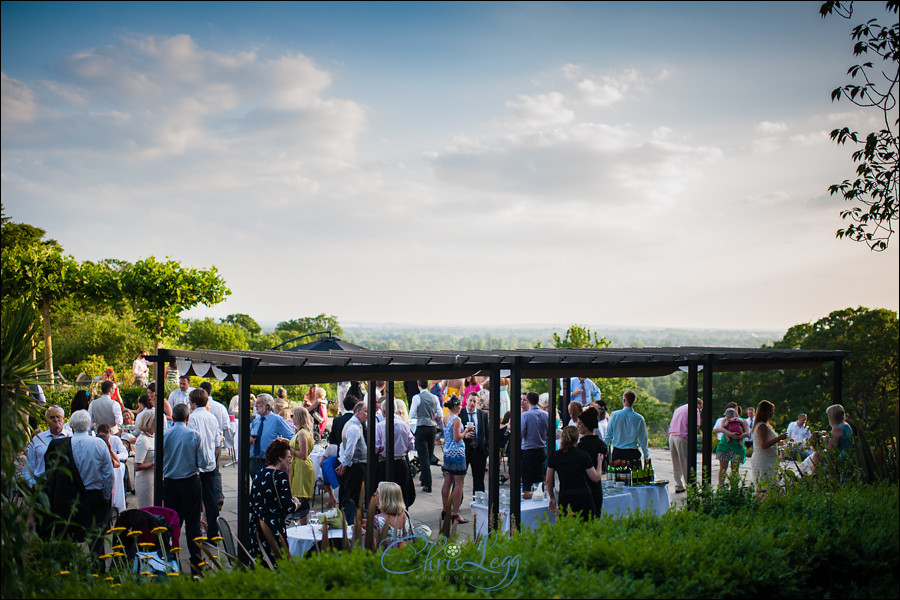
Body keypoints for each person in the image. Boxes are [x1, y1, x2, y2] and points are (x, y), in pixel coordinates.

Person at [43, 409, 113, 555]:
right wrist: (106, 496)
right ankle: (98, 572)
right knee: (96, 541)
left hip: (69, 499)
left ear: (72, 426)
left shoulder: (59, 446)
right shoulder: (100, 444)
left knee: (68, 538)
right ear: (89, 425)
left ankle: (69, 571)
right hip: (95, 496)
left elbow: (51, 476)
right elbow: (108, 475)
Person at [163, 403, 211, 570]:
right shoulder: (194, 435)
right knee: (193, 525)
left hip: (170, 482)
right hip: (190, 482)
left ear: (173, 418)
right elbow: (204, 462)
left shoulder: (164, 434)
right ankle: (196, 562)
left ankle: (170, 561)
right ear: (188, 418)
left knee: (171, 523)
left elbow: (157, 461)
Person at [248, 438, 302, 559]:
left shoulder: (259, 473)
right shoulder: (280, 476)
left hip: (256, 527)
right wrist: (296, 503)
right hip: (272, 529)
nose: (291, 461)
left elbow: (252, 504)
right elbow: (287, 507)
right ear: (280, 458)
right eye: (289, 457)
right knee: (277, 563)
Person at [188, 388, 223, 539]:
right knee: (211, 501)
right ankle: (213, 533)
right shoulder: (212, 418)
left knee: (195, 501)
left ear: (193, 403)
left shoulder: (192, 418)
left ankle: (197, 532)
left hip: (196, 466)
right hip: (210, 463)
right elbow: (217, 443)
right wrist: (212, 458)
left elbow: (191, 442)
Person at [546, 426, 601, 519]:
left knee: (566, 529)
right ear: (577, 438)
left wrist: (552, 497)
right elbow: (595, 478)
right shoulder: (583, 455)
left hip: (565, 496)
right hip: (583, 496)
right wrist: (600, 462)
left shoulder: (555, 456)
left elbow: (548, 480)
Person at [375, 398, 416, 508]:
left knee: (385, 497)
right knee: (402, 495)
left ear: (383, 412)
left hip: (384, 463)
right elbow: (411, 444)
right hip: (401, 463)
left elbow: (376, 447)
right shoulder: (404, 425)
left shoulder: (379, 426)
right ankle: (403, 520)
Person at [24, 405, 70, 488]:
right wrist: (33, 486)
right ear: (46, 420)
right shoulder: (37, 439)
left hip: (64, 486)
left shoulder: (71, 438)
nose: (56, 420)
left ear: (63, 418)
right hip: (41, 485)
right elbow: (28, 466)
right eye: (52, 417)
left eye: (58, 417)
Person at [249, 393, 295, 474]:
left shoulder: (277, 420)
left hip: (268, 462)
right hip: (254, 461)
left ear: (267, 406)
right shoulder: (256, 421)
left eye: (259, 403)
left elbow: (291, 437)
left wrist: (281, 445)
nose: (255, 405)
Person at [440, 396, 468, 524]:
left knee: (447, 481)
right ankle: (456, 513)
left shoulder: (445, 418)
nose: (461, 407)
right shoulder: (456, 419)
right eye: (460, 405)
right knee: (459, 484)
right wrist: (467, 430)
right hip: (457, 453)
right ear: (455, 406)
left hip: (447, 453)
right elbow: (457, 438)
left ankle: (445, 510)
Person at [337, 401, 368, 514]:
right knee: (356, 499)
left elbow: (342, 446)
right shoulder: (354, 428)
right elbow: (349, 451)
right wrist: (345, 465)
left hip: (355, 466)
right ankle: (354, 523)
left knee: (353, 497)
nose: (367, 414)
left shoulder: (349, 424)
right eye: (366, 411)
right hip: (357, 467)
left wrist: (342, 462)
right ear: (358, 411)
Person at [750, 400, 787, 491]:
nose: (772, 413)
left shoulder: (765, 425)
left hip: (767, 459)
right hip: (764, 461)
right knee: (766, 488)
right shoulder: (762, 426)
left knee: (764, 487)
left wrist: (778, 442)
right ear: (764, 412)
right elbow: (763, 444)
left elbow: (768, 441)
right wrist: (779, 438)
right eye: (770, 411)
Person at [409, 380, 439, 493]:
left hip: (421, 427)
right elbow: (439, 414)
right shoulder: (434, 398)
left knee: (423, 457)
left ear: (418, 385)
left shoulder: (417, 398)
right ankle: (423, 478)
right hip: (432, 428)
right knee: (429, 454)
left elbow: (411, 414)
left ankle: (427, 484)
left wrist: (418, 414)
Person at [604, 390, 649, 464]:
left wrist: (605, 449)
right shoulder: (639, 418)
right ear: (634, 402)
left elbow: (608, 434)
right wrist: (646, 456)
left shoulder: (614, 415)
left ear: (624, 400)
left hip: (618, 453)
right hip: (633, 454)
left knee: (617, 475)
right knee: (633, 475)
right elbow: (643, 439)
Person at [576, 407, 607, 514]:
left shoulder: (580, 447)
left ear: (586, 425)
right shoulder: (601, 444)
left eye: (579, 424)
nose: (578, 426)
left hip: (583, 489)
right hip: (597, 490)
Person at [668, 399, 703, 493]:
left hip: (672, 436)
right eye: (701, 408)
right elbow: (695, 426)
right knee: (686, 462)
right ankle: (691, 486)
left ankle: (678, 485)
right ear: (699, 405)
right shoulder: (694, 409)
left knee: (676, 463)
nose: (700, 410)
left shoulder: (679, 408)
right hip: (682, 437)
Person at [288, 406, 315, 521]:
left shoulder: (302, 433)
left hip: (302, 467)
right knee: (298, 496)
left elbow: (303, 455)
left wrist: (290, 449)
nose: (291, 418)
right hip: (298, 466)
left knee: (300, 498)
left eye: (292, 416)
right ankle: (301, 524)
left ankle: (302, 525)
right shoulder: (301, 432)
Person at [460, 392, 489, 496]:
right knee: (460, 479)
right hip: (464, 450)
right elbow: (455, 433)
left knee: (479, 479)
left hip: (479, 451)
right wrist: (464, 435)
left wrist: (487, 450)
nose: (471, 403)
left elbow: (487, 432)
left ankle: (478, 502)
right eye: (470, 400)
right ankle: (457, 503)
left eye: (474, 401)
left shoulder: (483, 415)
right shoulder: (460, 414)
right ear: (467, 400)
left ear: (477, 403)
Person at [521, 391, 549, 493]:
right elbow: (549, 432)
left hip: (529, 450)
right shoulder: (546, 414)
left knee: (527, 479)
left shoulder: (526, 415)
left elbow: (521, 433)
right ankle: (538, 497)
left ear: (528, 401)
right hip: (541, 449)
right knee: (539, 478)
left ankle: (527, 498)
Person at [714, 407, 749, 487]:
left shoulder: (743, 421)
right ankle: (721, 487)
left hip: (737, 448)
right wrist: (730, 434)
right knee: (723, 468)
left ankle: (734, 488)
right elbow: (721, 429)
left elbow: (748, 433)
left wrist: (738, 437)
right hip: (724, 446)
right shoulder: (724, 420)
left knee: (735, 469)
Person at [133, 408, 156, 509]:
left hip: (154, 478)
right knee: (147, 509)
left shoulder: (153, 437)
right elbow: (137, 466)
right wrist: (154, 463)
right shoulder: (143, 440)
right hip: (145, 481)